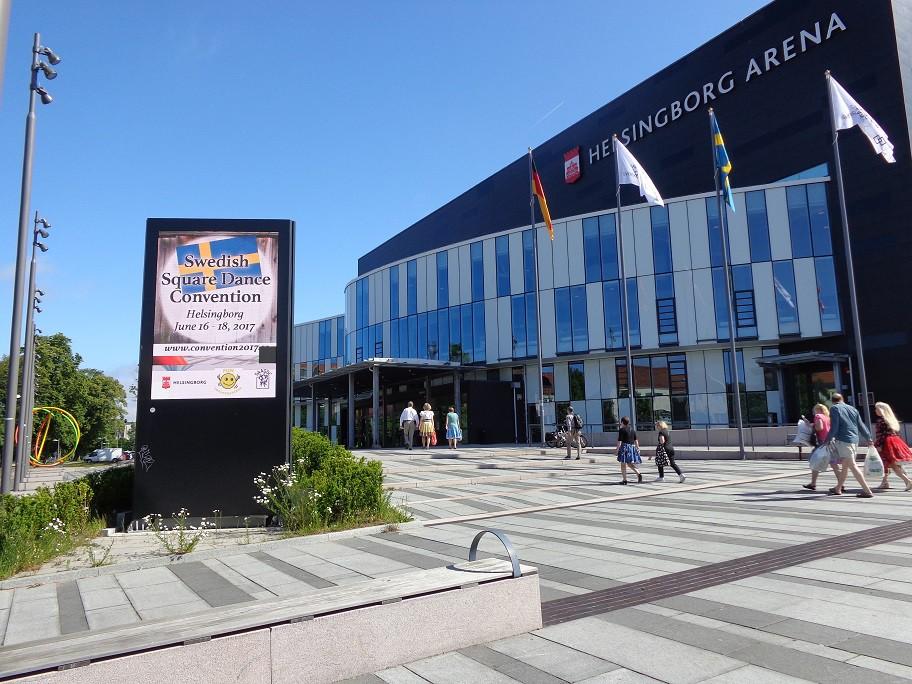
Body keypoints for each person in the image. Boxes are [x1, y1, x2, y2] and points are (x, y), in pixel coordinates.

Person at [827, 393, 875, 498]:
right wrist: (868, 438)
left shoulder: (834, 409)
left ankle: (867, 491)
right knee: (845, 466)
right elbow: (861, 425)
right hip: (854, 440)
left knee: (852, 465)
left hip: (844, 440)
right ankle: (838, 488)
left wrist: (828, 439)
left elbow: (834, 426)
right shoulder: (853, 409)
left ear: (832, 401)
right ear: (842, 399)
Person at [872, 401, 912, 491]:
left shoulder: (881, 421)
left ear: (881, 410)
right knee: (889, 464)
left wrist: (878, 445)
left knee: (890, 464)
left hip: (886, 444)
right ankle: (885, 482)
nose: (875, 410)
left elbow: (881, 435)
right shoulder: (890, 419)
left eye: (876, 408)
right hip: (895, 441)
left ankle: (907, 480)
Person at [803, 403, 839, 491]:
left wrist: (810, 426)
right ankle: (840, 483)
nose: (814, 412)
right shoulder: (827, 417)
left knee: (815, 461)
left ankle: (813, 483)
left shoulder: (818, 416)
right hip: (831, 441)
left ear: (817, 410)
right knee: (834, 464)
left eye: (814, 410)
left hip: (822, 442)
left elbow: (819, 427)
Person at [617, 416, 642, 484]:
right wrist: (638, 448)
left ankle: (624, 480)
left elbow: (619, 441)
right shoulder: (632, 430)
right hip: (631, 448)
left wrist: (617, 449)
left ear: (622, 422)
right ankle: (638, 473)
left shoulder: (621, 430)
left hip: (624, 447)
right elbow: (636, 440)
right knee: (629, 463)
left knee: (623, 464)